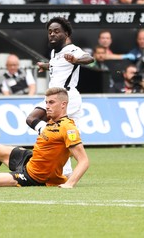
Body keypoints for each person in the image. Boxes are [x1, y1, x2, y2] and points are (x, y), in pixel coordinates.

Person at [0, 87, 90, 188]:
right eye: (46, 102)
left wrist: (69, 183)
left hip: (35, 177)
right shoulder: (51, 121)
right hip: (30, 161)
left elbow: (84, 161)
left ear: (63, 104)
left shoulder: (68, 128)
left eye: (51, 102)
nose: (47, 106)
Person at [25, 17, 93, 177]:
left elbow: (90, 58)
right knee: (61, 134)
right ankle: (66, 171)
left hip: (67, 97)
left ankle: (64, 169)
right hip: (56, 97)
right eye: (49, 32)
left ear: (66, 34)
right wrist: (46, 65)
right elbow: (59, 65)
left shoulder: (73, 50)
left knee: (39, 122)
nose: (52, 35)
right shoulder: (55, 52)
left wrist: (76, 60)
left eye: (56, 31)